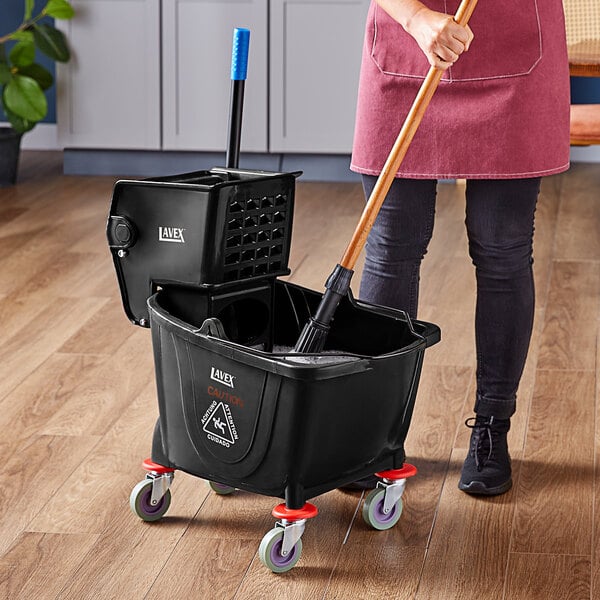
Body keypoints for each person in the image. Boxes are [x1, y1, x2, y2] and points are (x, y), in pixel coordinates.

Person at [349, 0, 570, 495]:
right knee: (391, 246)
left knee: (502, 250)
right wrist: (415, 18)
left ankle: (493, 426)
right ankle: (374, 430)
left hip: (515, 48)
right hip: (404, 46)